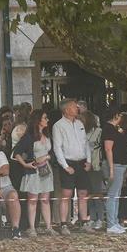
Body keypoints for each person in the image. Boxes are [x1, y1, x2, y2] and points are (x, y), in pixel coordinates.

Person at [12, 109, 54, 236]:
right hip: (34, 169)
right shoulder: (29, 137)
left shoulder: (46, 135)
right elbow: (16, 152)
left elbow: (50, 152)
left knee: (45, 198)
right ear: (38, 120)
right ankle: (32, 227)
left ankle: (49, 226)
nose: (47, 120)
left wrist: (47, 157)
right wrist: (25, 164)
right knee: (33, 199)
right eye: (45, 118)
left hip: (45, 168)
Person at [52, 99, 91, 232]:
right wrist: (65, 166)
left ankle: (84, 221)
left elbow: (86, 143)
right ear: (67, 110)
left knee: (83, 192)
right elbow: (57, 147)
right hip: (68, 162)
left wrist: (89, 161)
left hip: (82, 162)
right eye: (74, 107)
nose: (77, 108)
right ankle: (64, 223)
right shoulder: (58, 126)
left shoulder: (79, 123)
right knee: (66, 193)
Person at [101, 107, 127, 233]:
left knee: (116, 194)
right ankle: (110, 224)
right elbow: (108, 149)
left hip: (120, 164)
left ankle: (115, 220)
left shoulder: (115, 129)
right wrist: (111, 169)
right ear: (116, 115)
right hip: (115, 164)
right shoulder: (108, 129)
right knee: (112, 194)